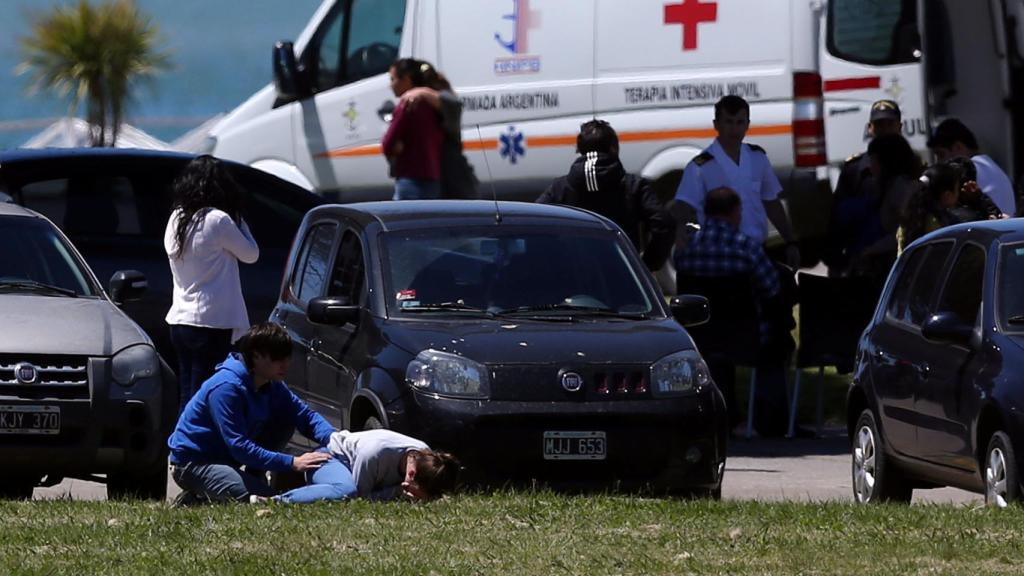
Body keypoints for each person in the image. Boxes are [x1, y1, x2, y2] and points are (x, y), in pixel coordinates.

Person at [676, 187, 797, 437]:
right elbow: (772, 288)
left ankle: (721, 414)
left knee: (718, 352)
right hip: (744, 336)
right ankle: (771, 416)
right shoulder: (746, 248)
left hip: (700, 337)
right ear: (734, 212)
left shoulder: (686, 251)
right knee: (778, 341)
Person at [168, 322, 335, 504]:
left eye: (287, 358)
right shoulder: (226, 388)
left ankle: (248, 479)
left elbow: (304, 415)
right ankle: (196, 498)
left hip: (228, 459)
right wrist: (292, 462)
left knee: (285, 419)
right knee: (264, 498)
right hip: (194, 464)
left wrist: (335, 439)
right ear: (255, 356)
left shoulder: (272, 383)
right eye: (277, 359)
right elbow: (239, 446)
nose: (285, 365)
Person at [164, 155, 259, 410]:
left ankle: (183, 435)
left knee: (188, 394)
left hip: (180, 320)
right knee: (205, 395)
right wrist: (238, 219)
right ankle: (198, 436)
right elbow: (251, 254)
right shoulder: (218, 220)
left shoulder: (176, 218)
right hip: (211, 323)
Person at [672, 95, 801, 270]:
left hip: (757, 250)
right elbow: (684, 204)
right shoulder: (700, 166)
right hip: (720, 253)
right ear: (716, 124)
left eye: (740, 122)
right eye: (728, 122)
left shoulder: (758, 158)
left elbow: (771, 202)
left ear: (747, 125)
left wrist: (790, 241)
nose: (734, 129)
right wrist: (680, 228)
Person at [536, 119, 676, 271]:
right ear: (614, 148)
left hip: (574, 275)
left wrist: (554, 262)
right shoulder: (633, 185)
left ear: (579, 150)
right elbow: (664, 223)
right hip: (622, 273)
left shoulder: (560, 188)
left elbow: (534, 221)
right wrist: (646, 265)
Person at [824, 99, 904, 275]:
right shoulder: (855, 169)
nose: (884, 130)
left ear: (900, 127)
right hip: (863, 263)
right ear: (870, 129)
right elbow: (837, 220)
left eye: (889, 124)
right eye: (879, 125)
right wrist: (836, 263)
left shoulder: (911, 168)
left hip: (901, 259)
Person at [275, 429, 460, 504]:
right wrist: (396, 492)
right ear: (411, 474)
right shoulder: (374, 454)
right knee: (346, 491)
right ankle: (277, 500)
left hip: (354, 465)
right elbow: (361, 499)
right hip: (329, 458)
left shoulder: (425, 455)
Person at [847, 133, 921, 282]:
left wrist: (871, 250)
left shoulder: (900, 188)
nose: (870, 166)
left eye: (873, 160)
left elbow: (904, 232)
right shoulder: (890, 186)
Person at [398, 63, 478, 199]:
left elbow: (452, 103)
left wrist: (422, 92)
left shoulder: (441, 100)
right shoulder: (421, 103)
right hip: (434, 177)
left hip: (453, 176)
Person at [382, 58, 444, 200]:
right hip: (433, 177)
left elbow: (388, 144)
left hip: (410, 178)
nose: (390, 85)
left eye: (393, 79)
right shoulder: (433, 104)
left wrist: (396, 149)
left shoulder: (406, 105)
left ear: (407, 80)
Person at [927, 118, 1015, 216]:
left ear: (958, 147)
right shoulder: (987, 166)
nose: (939, 162)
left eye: (941, 155)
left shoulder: (971, 170)